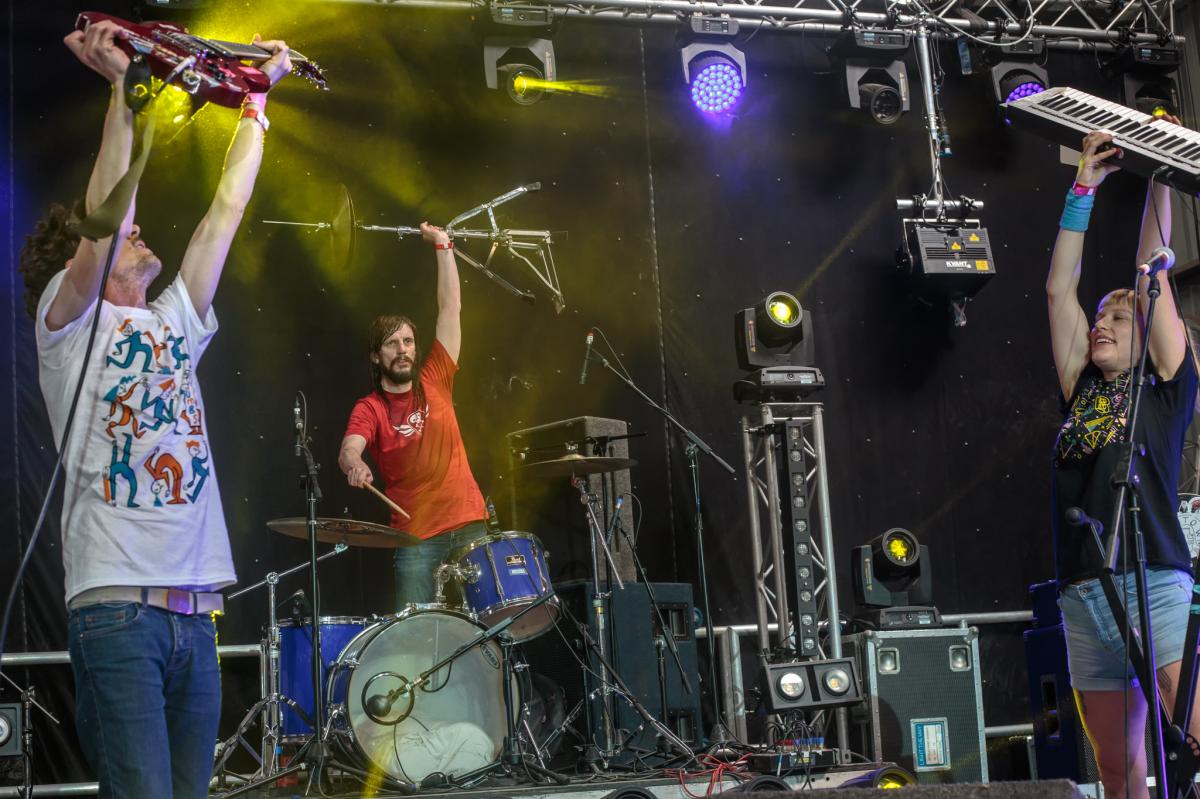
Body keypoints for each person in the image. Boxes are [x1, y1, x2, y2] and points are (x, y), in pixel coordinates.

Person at [19, 19, 289, 798]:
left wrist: (256, 111)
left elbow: (223, 216)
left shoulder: (171, 318)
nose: (140, 233)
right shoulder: (67, 327)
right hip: (118, 616)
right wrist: (123, 95)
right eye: (127, 233)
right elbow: (105, 214)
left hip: (193, 614)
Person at [1046, 127, 1198, 799]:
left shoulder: (1165, 384)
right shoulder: (1082, 386)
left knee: (1191, 743)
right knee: (1117, 768)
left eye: (1120, 316)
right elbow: (1059, 289)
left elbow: (1151, 266)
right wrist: (1084, 188)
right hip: (1083, 591)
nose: (1103, 321)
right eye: (1100, 315)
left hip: (1156, 581)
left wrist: (1158, 172)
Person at [338, 223, 490, 609]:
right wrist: (354, 464)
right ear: (377, 356)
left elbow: (450, 307)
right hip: (417, 537)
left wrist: (444, 246)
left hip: (469, 522)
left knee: (488, 625)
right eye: (392, 343)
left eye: (408, 341)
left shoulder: (436, 375)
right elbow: (349, 449)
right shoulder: (369, 407)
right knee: (419, 634)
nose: (403, 349)